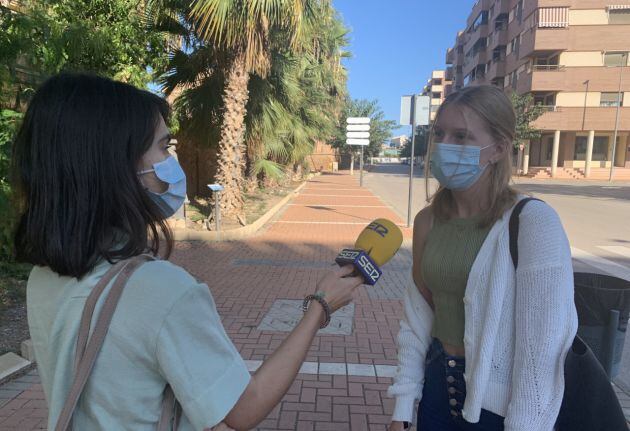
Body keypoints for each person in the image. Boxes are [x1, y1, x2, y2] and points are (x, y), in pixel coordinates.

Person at [12, 73, 363, 431]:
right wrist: (319, 308)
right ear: (119, 166)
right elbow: (243, 409)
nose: (171, 160)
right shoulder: (160, 289)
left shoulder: (42, 277)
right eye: (164, 147)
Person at [387, 85, 578, 431]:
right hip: (436, 388)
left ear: (499, 148)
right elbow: (417, 320)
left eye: (462, 137)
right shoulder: (428, 221)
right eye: (440, 133)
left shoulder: (532, 222)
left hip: (501, 407)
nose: (445, 146)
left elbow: (543, 348)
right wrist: (402, 405)